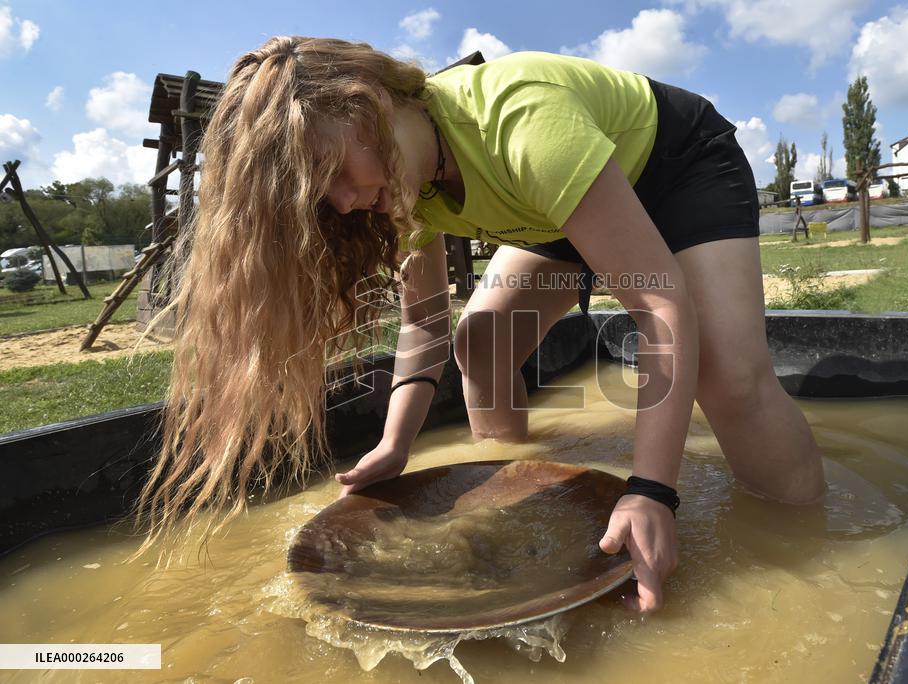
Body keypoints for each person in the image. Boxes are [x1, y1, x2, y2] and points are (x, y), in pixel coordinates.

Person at [131, 36, 826, 612]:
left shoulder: (520, 125)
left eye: (329, 168)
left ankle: (806, 539)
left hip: (673, 170)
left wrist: (652, 491)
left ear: (365, 99)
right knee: (482, 337)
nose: (341, 203)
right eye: (321, 194)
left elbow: (660, 307)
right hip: (552, 210)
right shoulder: (396, 188)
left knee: (727, 376)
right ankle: (517, 474)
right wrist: (396, 444)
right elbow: (427, 327)